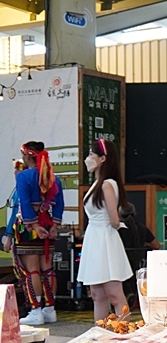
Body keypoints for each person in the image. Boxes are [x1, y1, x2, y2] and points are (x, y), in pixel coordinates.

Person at [76, 138, 133, 321]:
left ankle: (125, 332)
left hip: (105, 239)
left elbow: (113, 219)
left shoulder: (107, 184)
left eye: (91, 154)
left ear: (102, 158)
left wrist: (117, 225)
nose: (88, 158)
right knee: (97, 294)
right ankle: (99, 334)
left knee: (114, 293)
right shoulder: (98, 183)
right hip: (95, 239)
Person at [15, 143, 65, 326]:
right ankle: (50, 309)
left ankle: (35, 309)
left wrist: (34, 226)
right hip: (48, 223)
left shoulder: (24, 177)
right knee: (48, 268)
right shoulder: (54, 178)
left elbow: (25, 203)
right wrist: (55, 226)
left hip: (30, 227)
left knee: (32, 269)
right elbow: (59, 204)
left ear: (26, 155)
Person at [2, 159, 23, 253]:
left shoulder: (20, 190)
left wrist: (9, 236)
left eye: (17, 170)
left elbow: (15, 213)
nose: (14, 173)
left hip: (21, 231)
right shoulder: (18, 189)